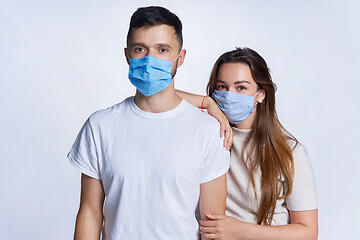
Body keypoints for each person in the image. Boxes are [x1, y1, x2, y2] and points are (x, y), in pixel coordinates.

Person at [67, 6, 230, 240]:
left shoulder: (206, 130)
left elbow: (212, 225)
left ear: (180, 58)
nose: (150, 59)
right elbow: (90, 214)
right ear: (127, 55)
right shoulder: (100, 126)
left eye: (162, 50)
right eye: (140, 49)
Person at [177, 47, 318, 240]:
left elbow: (308, 232)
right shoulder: (209, 134)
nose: (229, 95)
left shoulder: (289, 151)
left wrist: (240, 230)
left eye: (241, 87)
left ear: (261, 94)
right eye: (222, 87)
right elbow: (158, 97)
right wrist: (207, 103)